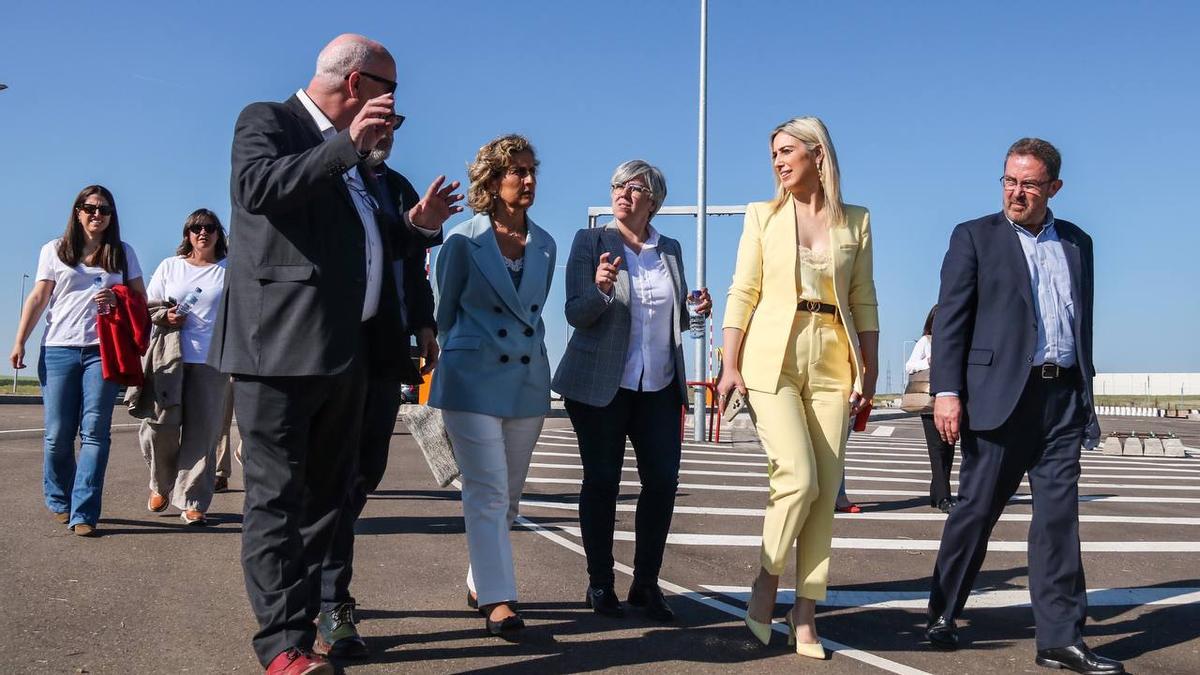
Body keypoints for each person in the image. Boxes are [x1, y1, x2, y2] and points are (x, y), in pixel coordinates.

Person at [208, 34, 448, 674]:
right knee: (278, 500)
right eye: (388, 91)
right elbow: (257, 189)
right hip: (279, 351)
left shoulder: (359, 166)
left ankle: (305, 622)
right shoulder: (270, 121)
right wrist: (342, 150)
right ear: (354, 83)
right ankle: (282, 646)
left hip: (347, 354)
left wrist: (417, 225)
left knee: (326, 502)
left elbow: (370, 246)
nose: (394, 107)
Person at [925, 139, 1120, 675]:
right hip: (998, 397)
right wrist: (947, 392)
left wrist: (1086, 392)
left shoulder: (1078, 243)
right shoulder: (974, 237)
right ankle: (944, 610)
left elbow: (1081, 323)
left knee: (1058, 522)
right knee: (977, 509)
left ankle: (1060, 637)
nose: (1017, 192)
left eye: (1029, 184)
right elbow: (952, 321)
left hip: (1061, 399)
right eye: (1010, 180)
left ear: (1053, 187)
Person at [716, 117, 878, 659]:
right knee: (799, 477)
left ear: (818, 155)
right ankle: (766, 579)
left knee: (826, 490)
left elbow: (864, 298)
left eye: (787, 152)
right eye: (773, 156)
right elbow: (743, 290)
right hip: (771, 357)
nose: (779, 162)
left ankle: (804, 612)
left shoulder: (856, 220)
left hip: (834, 358)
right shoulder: (762, 216)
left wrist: (870, 367)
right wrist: (730, 363)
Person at [315, 122, 460, 658]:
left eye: (398, 125)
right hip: (327, 348)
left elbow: (413, 270)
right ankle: (333, 601)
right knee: (333, 475)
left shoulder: (398, 187)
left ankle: (317, 559)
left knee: (365, 472)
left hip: (383, 347)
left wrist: (424, 324)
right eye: (381, 121)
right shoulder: (323, 176)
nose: (389, 133)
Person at [553, 160, 711, 622]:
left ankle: (646, 584)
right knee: (601, 483)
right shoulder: (590, 242)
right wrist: (601, 289)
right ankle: (601, 584)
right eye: (617, 185)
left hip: (659, 386)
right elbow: (575, 313)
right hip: (602, 386)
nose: (622, 192)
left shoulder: (671, 249)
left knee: (662, 483)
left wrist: (697, 310)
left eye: (634, 186)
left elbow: (682, 323)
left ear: (654, 200)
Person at [429, 134, 556, 639]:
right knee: (485, 490)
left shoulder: (546, 243)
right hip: (472, 377)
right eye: (516, 172)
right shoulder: (462, 239)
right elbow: (445, 310)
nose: (527, 180)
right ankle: (501, 600)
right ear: (492, 180)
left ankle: (481, 579)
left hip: (526, 380)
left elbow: (535, 309)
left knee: (508, 497)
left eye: (531, 171)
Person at [10, 185, 145, 538]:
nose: (96, 214)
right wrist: (20, 340)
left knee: (95, 432)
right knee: (57, 434)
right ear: (77, 211)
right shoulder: (54, 250)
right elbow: (39, 296)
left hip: (103, 350)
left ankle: (84, 511)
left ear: (112, 216)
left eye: (104, 209)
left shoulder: (122, 253)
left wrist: (118, 299)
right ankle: (60, 499)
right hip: (58, 349)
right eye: (89, 207)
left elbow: (140, 298)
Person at [138, 210, 231, 525]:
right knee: (159, 428)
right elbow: (148, 307)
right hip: (169, 358)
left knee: (202, 434)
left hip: (212, 361)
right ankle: (160, 483)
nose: (202, 233)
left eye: (209, 228)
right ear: (187, 234)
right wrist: (166, 316)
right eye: (195, 228)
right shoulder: (170, 266)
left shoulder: (229, 270)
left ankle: (192, 501)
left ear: (219, 234)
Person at [905, 304, 956, 513]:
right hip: (929, 403)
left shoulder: (954, 342)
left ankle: (936, 493)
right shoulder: (926, 342)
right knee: (936, 451)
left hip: (950, 403)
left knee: (949, 449)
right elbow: (909, 366)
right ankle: (944, 497)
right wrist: (928, 361)